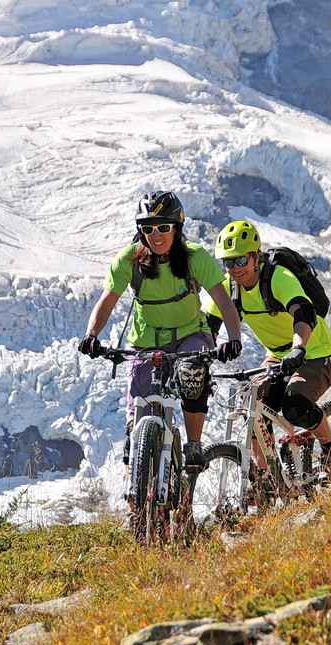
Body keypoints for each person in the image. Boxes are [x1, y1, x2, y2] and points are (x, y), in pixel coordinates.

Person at [78, 191, 243, 470]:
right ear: (140, 231)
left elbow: (223, 301)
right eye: (148, 228)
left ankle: (193, 446)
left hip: (190, 333)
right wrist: (91, 335)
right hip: (146, 340)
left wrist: (234, 338)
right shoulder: (129, 260)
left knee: (192, 375)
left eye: (163, 227)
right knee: (136, 421)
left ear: (177, 228)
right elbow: (107, 300)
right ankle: (136, 497)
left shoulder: (195, 257)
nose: (156, 235)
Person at [204, 221, 331, 472]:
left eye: (241, 260)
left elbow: (303, 311)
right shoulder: (229, 287)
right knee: (252, 405)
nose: (235, 269)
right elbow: (209, 326)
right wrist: (199, 358)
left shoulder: (279, 277)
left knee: (295, 406)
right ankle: (268, 476)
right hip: (278, 356)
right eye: (228, 262)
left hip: (316, 352)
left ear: (256, 256)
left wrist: (299, 347)